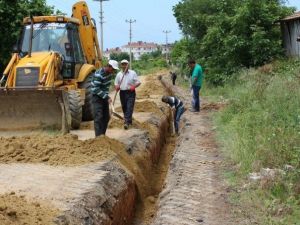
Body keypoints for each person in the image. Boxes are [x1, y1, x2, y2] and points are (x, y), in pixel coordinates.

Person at [92, 60, 119, 136]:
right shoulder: (98, 74)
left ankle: (102, 135)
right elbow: (96, 89)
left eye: (114, 70)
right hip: (96, 97)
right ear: (108, 66)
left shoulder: (109, 74)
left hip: (103, 97)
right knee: (98, 117)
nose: (113, 71)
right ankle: (98, 137)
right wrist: (106, 97)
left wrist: (107, 97)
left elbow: (106, 87)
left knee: (106, 117)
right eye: (113, 69)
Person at [114, 59, 141, 130]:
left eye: (125, 64)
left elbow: (138, 82)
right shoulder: (119, 74)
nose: (124, 66)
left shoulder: (133, 73)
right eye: (123, 64)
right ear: (121, 66)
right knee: (124, 107)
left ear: (128, 65)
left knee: (129, 107)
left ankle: (126, 123)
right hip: (122, 93)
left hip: (131, 92)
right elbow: (116, 84)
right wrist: (116, 87)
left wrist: (134, 86)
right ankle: (129, 121)